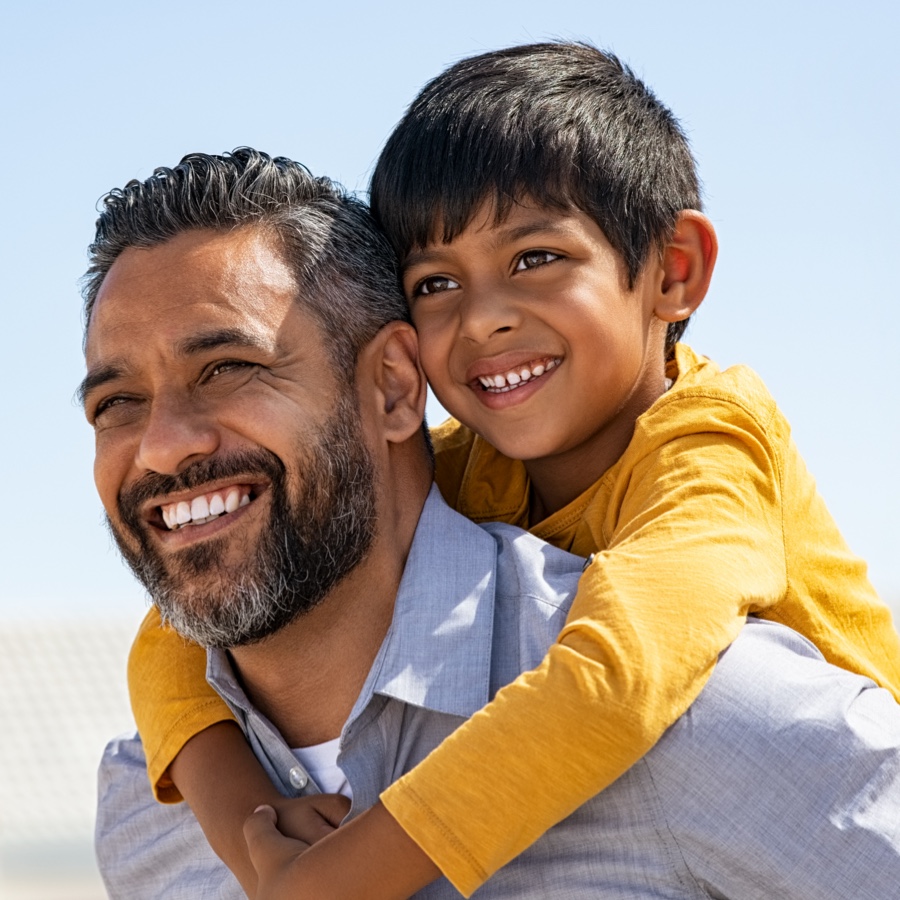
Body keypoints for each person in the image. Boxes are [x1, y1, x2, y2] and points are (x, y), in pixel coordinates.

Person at [126, 43, 900, 897]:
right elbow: (176, 634)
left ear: (673, 270)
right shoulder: (474, 466)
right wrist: (250, 831)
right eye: (435, 282)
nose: (483, 319)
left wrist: (328, 883)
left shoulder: (710, 453)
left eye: (535, 259)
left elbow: (615, 683)